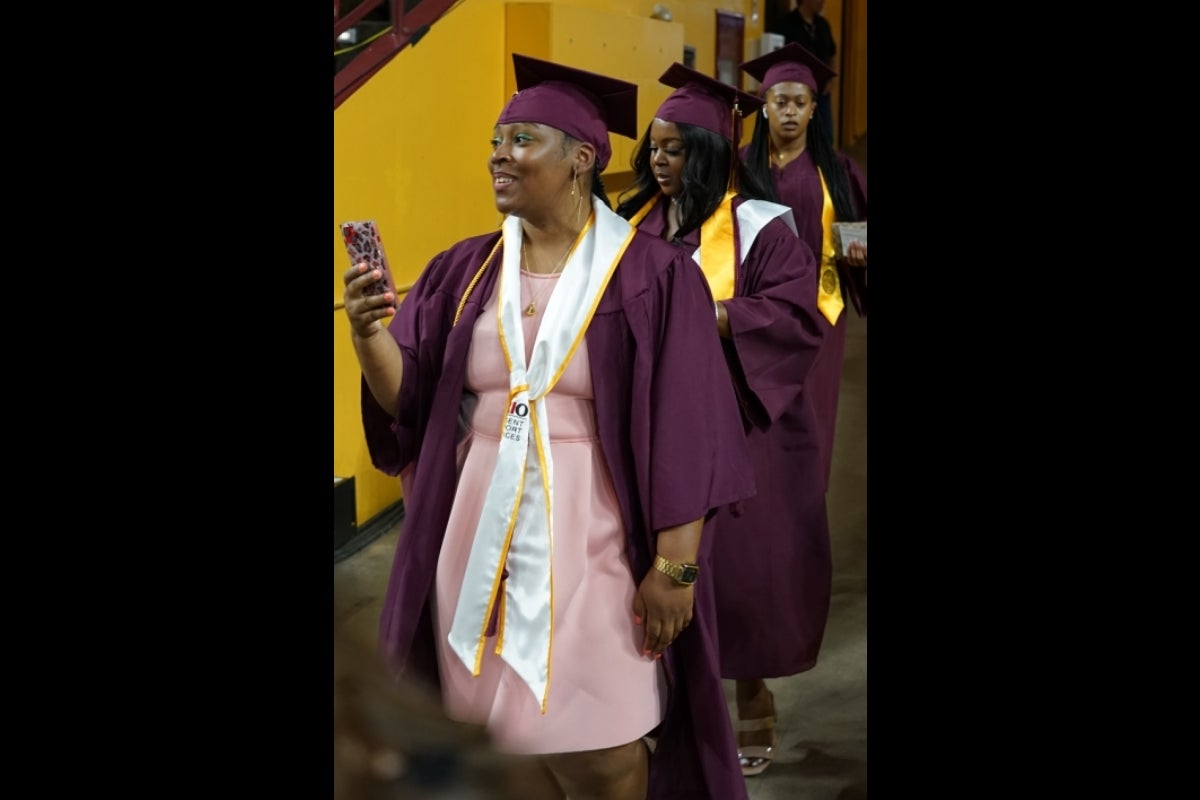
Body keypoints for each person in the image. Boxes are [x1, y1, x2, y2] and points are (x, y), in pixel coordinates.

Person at [341, 52, 756, 800]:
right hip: (478, 542)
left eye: (521, 139)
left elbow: (693, 429)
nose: (499, 155)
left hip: (596, 539)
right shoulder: (461, 270)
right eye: (496, 141)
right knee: (502, 748)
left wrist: (676, 568)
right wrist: (371, 339)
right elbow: (410, 401)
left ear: (580, 160)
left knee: (604, 749)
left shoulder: (653, 275)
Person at [614, 63, 829, 778]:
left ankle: (754, 700)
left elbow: (799, 313)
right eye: (655, 148)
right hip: (648, 425)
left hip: (737, 423)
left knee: (737, 577)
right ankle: (658, 708)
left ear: (707, 154)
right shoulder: (632, 224)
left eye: (674, 150)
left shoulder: (759, 228)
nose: (658, 162)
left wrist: (717, 317)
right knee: (647, 570)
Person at [727, 40, 867, 775]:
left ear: (816, 110)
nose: (785, 111)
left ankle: (760, 679)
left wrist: (857, 256)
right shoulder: (738, 169)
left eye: (797, 101)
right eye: (776, 100)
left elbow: (859, 245)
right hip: (744, 334)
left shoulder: (839, 174)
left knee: (790, 480)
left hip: (815, 333)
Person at [773, 0, 838, 146]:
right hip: (796, 94)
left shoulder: (823, 25)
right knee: (798, 138)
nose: (823, 2)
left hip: (821, 93)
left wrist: (832, 78)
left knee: (825, 138)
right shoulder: (786, 24)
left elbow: (832, 53)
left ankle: (823, 168)